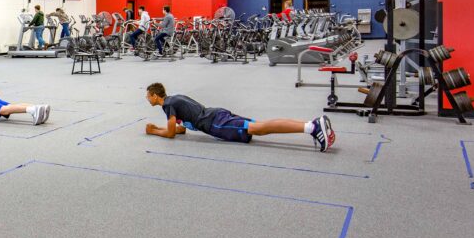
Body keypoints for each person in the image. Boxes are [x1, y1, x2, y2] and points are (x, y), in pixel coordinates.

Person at [143, 82, 335, 151]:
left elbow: (171, 134)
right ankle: (310, 126)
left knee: (261, 128)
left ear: (155, 95)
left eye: (147, 95)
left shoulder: (167, 105)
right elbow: (182, 129)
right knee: (262, 127)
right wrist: (169, 128)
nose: (146, 99)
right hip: (217, 113)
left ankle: (312, 126)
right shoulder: (175, 98)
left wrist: (154, 131)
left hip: (216, 123)